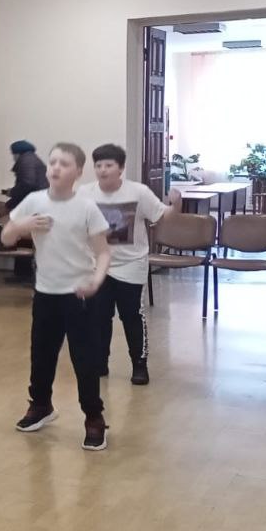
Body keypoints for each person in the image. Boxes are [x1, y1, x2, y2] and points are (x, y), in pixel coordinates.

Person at [0, 143, 112, 450]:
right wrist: (21, 226)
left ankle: (93, 417)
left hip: (79, 295)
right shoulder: (34, 201)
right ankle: (41, 405)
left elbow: (103, 253)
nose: (56, 168)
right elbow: (6, 237)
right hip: (45, 293)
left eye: (64, 163)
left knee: (84, 359)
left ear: (78, 172)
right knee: (41, 354)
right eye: (53, 162)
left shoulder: (86, 207)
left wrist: (96, 281)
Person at [79, 143, 166, 385]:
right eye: (98, 165)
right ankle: (100, 362)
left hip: (131, 264)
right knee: (99, 316)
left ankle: (139, 365)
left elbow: (160, 215)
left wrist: (176, 205)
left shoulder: (139, 192)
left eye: (108, 165)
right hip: (97, 265)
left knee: (131, 316)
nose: (102, 170)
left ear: (120, 168)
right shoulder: (85, 193)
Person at [2, 140, 48, 283]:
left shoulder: (25, 161)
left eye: (13, 154)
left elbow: (28, 183)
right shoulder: (33, 159)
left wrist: (12, 194)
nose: (13, 157)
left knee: (23, 235)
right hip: (39, 204)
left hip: (33, 207)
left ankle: (23, 274)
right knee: (29, 238)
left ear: (17, 153)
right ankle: (24, 273)